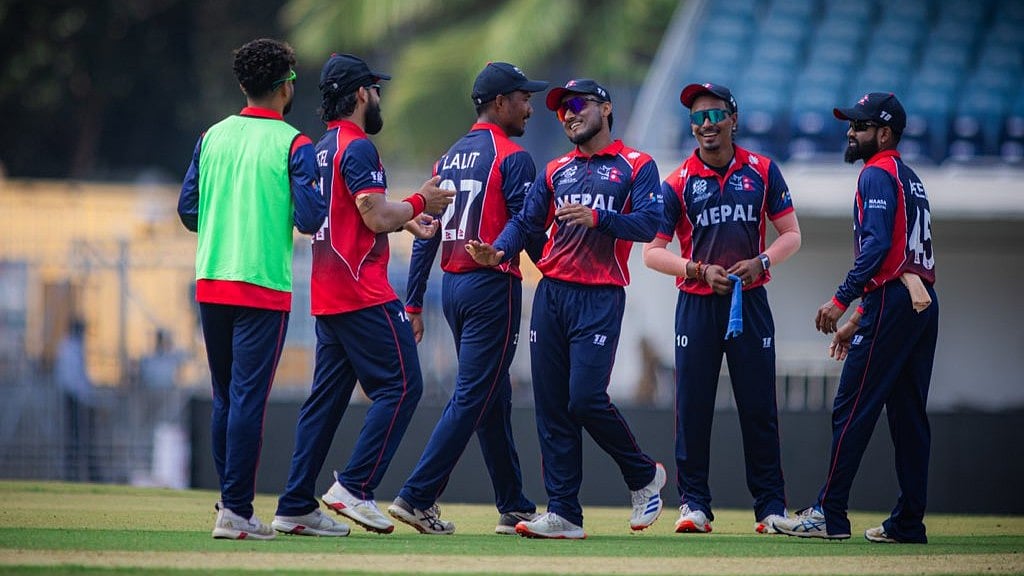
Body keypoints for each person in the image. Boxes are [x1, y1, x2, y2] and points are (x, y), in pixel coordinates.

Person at [467, 78, 666, 539]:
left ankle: (642, 475)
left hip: (600, 295)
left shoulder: (636, 165)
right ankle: (564, 513)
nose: (569, 114)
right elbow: (526, 221)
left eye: (577, 104)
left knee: (585, 398)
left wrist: (600, 218)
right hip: (552, 294)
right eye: (561, 110)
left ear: (607, 107)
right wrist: (498, 252)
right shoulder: (556, 169)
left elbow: (651, 224)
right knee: (552, 406)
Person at [272, 53, 454, 538]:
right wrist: (420, 201)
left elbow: (355, 215)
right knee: (403, 386)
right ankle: (354, 487)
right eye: (375, 89)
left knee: (325, 402)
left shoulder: (321, 147)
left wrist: (407, 219)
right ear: (359, 94)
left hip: (329, 291)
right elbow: (373, 216)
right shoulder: (359, 148)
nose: (379, 98)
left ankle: (293, 505)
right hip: (363, 291)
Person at [388, 62, 548, 536]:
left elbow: (426, 234)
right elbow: (529, 225)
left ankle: (514, 504)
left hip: (453, 289)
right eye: (523, 97)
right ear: (500, 103)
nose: (530, 106)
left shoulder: (448, 158)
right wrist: (559, 271)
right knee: (474, 394)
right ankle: (416, 496)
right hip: (491, 284)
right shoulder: (512, 156)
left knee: (492, 396)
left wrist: (414, 301)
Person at [178, 37, 326, 541]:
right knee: (247, 400)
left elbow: (188, 211)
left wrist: (230, 211)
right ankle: (237, 512)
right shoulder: (294, 144)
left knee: (225, 397)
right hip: (261, 285)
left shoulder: (211, 137)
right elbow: (310, 218)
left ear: (243, 85)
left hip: (212, 280)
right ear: (285, 86)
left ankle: (229, 503)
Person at [774, 92, 937, 543]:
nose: (851, 132)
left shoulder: (876, 174)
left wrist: (842, 301)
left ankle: (831, 513)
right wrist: (859, 318)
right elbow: (901, 259)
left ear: (884, 133)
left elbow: (878, 248)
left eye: (860, 126)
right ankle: (908, 522)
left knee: (852, 406)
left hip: (895, 300)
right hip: (921, 301)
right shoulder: (910, 177)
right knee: (908, 416)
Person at [642, 82, 802, 535]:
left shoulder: (763, 171)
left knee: (758, 407)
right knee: (692, 406)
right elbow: (652, 252)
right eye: (697, 118)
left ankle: (770, 508)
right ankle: (694, 503)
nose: (706, 126)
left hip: (749, 300)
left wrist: (763, 260)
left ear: (733, 118)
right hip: (697, 304)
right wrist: (695, 269)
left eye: (714, 116)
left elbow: (791, 234)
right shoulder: (677, 182)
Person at [54, 318, 99, 482]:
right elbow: (74, 380)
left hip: (78, 399)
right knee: (77, 439)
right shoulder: (70, 348)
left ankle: (83, 473)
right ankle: (73, 474)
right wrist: (89, 399)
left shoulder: (73, 347)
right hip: (74, 400)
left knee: (81, 439)